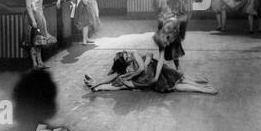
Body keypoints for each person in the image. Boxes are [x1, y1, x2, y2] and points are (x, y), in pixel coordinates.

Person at [83, 50, 217, 94]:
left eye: (125, 53)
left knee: (180, 77)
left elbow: (143, 64)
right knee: (177, 84)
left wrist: (133, 73)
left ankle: (201, 84)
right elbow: (110, 77)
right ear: (124, 62)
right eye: (125, 57)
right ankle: (204, 89)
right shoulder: (124, 69)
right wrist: (97, 83)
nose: (127, 55)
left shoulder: (133, 54)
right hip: (151, 78)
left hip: (154, 71)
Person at [24, 0, 57, 69]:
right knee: (34, 41)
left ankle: (40, 62)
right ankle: (35, 63)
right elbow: (28, 7)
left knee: (39, 40)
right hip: (32, 17)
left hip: (40, 16)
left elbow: (41, 8)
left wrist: (43, 21)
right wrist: (33, 20)